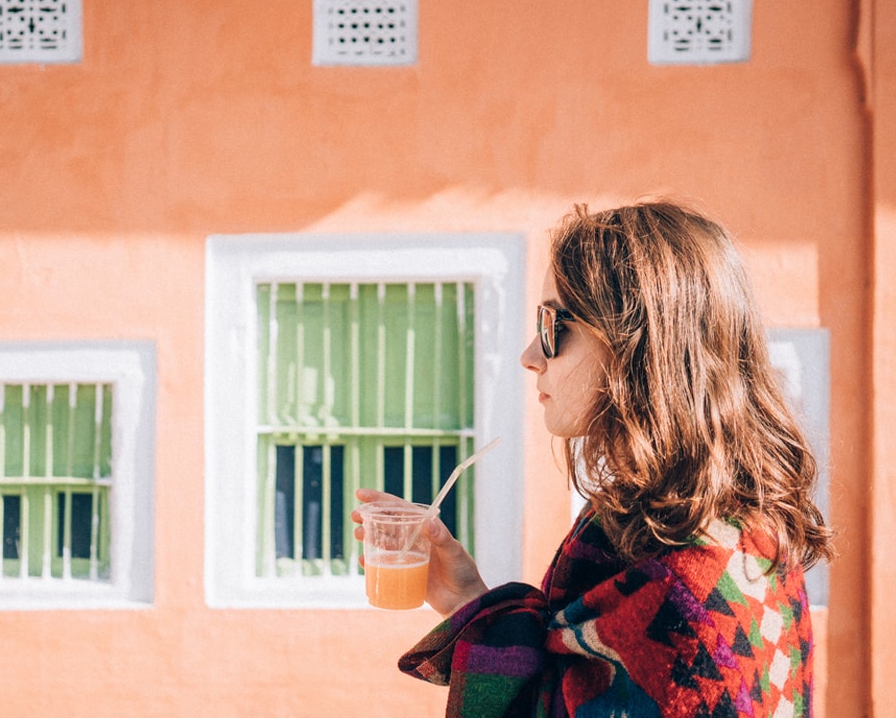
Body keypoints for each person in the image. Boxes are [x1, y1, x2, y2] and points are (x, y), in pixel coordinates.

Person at [353, 200, 833, 717]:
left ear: (639, 343)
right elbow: (564, 689)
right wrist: (465, 595)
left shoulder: (687, 590)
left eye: (551, 323)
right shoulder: (693, 529)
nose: (529, 356)